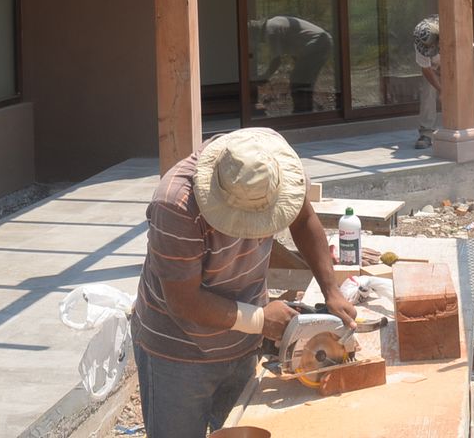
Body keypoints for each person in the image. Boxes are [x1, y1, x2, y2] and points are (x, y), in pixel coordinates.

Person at [132, 128, 356, 438]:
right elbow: (183, 301)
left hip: (242, 340)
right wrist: (262, 319)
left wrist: (332, 290)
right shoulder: (175, 205)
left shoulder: (271, 161)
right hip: (178, 352)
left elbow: (303, 220)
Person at [249, 15, 333, 114]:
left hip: (317, 43)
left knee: (297, 80)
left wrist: (265, 77)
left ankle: (301, 112)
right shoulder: (275, 23)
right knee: (305, 81)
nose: (259, 42)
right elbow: (295, 43)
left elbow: (277, 59)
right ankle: (307, 111)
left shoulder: (270, 31)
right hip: (324, 41)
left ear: (256, 33)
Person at [413, 14, 442, 150]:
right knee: (428, 90)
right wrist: (441, 89)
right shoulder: (421, 37)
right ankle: (426, 133)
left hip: (456, 61)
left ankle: (463, 128)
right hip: (434, 66)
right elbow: (426, 69)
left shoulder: (452, 28)